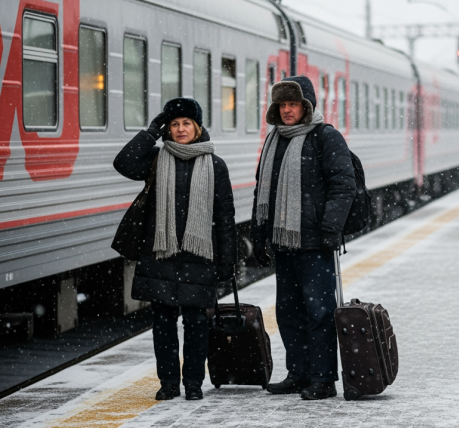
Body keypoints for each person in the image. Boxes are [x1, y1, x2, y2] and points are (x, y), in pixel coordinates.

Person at [113, 98, 237, 401]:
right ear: (167, 129)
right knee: (163, 324)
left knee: (196, 323)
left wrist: (227, 261)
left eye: (186, 123)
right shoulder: (156, 160)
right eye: (174, 124)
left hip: (199, 255)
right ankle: (168, 383)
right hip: (161, 254)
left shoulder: (215, 165)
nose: (181, 129)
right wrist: (151, 131)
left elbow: (225, 216)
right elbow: (123, 163)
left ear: (197, 127)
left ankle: (193, 383)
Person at [250, 76, 355, 400]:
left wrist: (331, 229)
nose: (287, 110)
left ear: (306, 106)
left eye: (293, 104)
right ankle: (298, 373)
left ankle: (323, 379)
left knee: (319, 312)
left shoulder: (326, 137)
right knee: (288, 312)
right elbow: (262, 189)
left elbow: (343, 185)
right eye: (282, 104)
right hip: (285, 242)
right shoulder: (274, 140)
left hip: (315, 244)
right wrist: (259, 233)